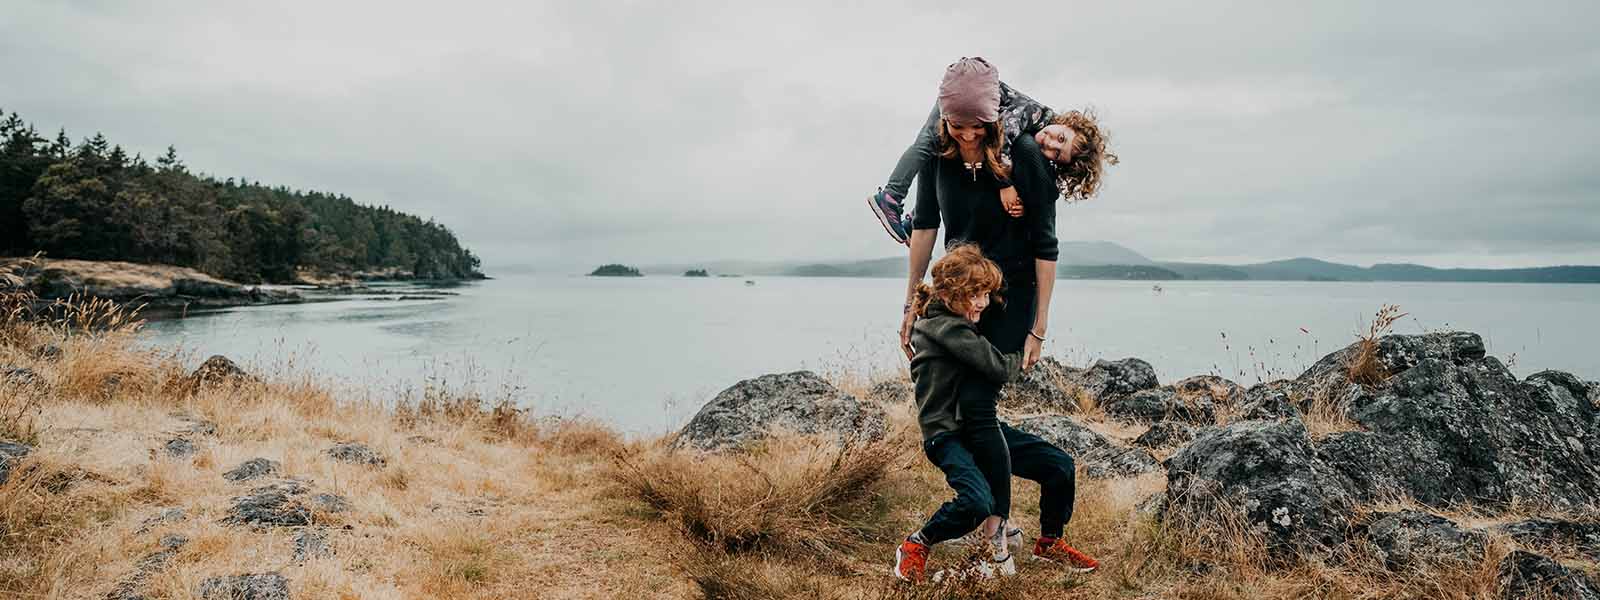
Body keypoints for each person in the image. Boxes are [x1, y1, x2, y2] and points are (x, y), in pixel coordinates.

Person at [892, 57, 1100, 582]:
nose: (966, 136)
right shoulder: (937, 153)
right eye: (957, 127)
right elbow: (925, 224)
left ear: (993, 120)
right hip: (960, 289)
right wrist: (911, 302)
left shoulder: (1024, 153)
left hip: (1012, 297)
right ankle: (1034, 489)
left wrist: (1039, 326)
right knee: (969, 411)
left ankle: (997, 530)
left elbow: (1046, 244)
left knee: (979, 406)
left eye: (976, 128)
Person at [866, 57, 1117, 245]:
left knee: (956, 150)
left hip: (968, 96)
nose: (1050, 143)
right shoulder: (1034, 114)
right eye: (1061, 137)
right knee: (927, 144)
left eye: (1058, 153)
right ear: (1068, 123)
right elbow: (1003, 140)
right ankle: (891, 196)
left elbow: (1041, 183)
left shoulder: (1038, 138)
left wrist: (1030, 202)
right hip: (967, 94)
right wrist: (1005, 185)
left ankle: (913, 218)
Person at [894, 244, 1022, 582]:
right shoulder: (949, 329)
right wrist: (1023, 353)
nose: (982, 302)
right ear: (949, 294)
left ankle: (999, 534)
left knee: (994, 484)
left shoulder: (939, 320)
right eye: (974, 295)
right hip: (944, 435)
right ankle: (917, 542)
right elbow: (998, 368)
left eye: (986, 294)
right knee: (977, 501)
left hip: (958, 431)